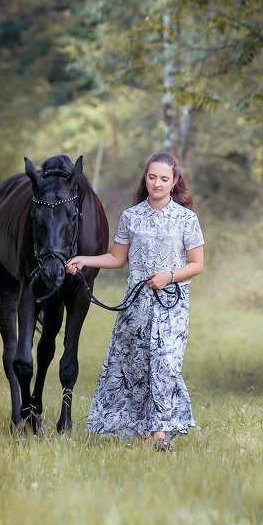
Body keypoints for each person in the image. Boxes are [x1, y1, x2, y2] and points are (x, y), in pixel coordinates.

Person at [65, 152, 204, 451]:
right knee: (135, 368)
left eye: (164, 178)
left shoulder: (186, 219)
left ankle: (162, 431)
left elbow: (197, 264)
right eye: (152, 177)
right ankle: (145, 436)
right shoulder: (131, 216)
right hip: (135, 305)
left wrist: (169, 275)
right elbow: (117, 258)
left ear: (175, 181)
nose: (157, 183)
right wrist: (83, 260)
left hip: (172, 304)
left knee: (166, 364)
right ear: (146, 178)